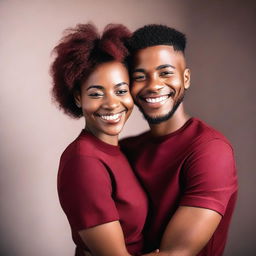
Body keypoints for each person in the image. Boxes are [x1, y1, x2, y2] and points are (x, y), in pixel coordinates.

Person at [121, 24, 238, 256]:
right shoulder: (126, 149)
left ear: (186, 79)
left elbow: (174, 253)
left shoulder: (210, 150)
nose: (154, 85)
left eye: (165, 73)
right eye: (140, 76)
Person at [51, 23, 157, 256]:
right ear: (78, 97)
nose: (111, 103)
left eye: (121, 91)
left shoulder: (119, 152)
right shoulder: (84, 162)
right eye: (96, 93)